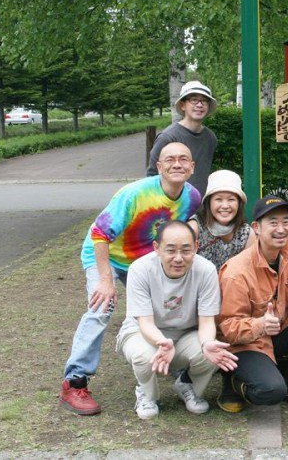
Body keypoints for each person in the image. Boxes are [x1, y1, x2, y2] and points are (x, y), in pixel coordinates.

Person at [59, 142, 201, 415]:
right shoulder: (135, 194)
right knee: (102, 307)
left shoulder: (191, 196)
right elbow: (100, 234)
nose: (177, 164)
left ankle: (174, 360)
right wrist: (105, 280)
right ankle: (75, 382)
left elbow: (186, 222)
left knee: (168, 301)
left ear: (192, 167)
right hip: (106, 255)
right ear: (158, 167)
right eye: (169, 159)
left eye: (184, 159)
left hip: (144, 258)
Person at [116, 221, 239, 419]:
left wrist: (208, 342)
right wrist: (161, 342)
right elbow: (145, 322)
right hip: (144, 332)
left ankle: (187, 385)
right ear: (157, 248)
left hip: (185, 333)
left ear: (196, 247)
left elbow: (207, 322)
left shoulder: (206, 270)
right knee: (142, 355)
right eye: (171, 250)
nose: (178, 258)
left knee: (212, 351)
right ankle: (147, 394)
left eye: (186, 250)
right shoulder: (140, 269)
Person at [216, 195, 288, 413]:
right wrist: (260, 325)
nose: (281, 228)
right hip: (246, 345)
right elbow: (228, 328)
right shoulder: (237, 272)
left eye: (286, 222)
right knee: (271, 391)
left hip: (279, 332)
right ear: (256, 227)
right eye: (273, 222)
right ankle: (231, 380)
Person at [147, 81, 218, 196]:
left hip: (200, 207)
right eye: (194, 100)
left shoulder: (210, 138)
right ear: (183, 105)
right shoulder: (168, 137)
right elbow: (152, 176)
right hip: (173, 207)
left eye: (204, 100)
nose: (199, 105)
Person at [188, 170, 255, 270]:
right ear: (209, 202)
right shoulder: (195, 228)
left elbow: (249, 271)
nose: (225, 206)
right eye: (218, 199)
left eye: (231, 199)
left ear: (239, 203)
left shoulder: (246, 233)